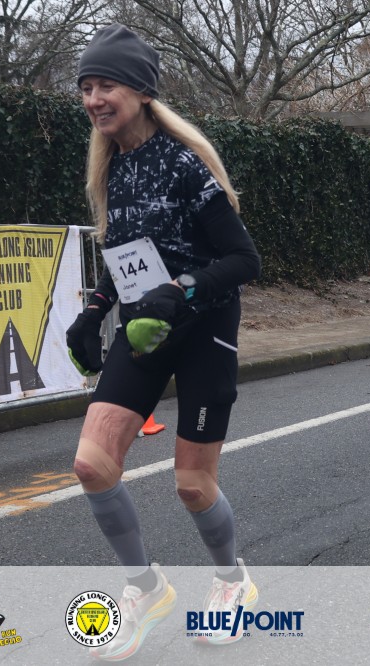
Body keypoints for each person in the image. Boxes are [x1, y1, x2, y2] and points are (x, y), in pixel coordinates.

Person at [67, 24, 262, 660]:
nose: (94, 99)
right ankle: (146, 588)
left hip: (203, 328)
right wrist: (94, 312)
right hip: (143, 329)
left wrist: (181, 291)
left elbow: (243, 259)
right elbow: (123, 258)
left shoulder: (183, 164)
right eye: (86, 88)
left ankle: (232, 582)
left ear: (142, 92)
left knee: (192, 485)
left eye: (106, 85)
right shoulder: (112, 168)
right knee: (92, 464)